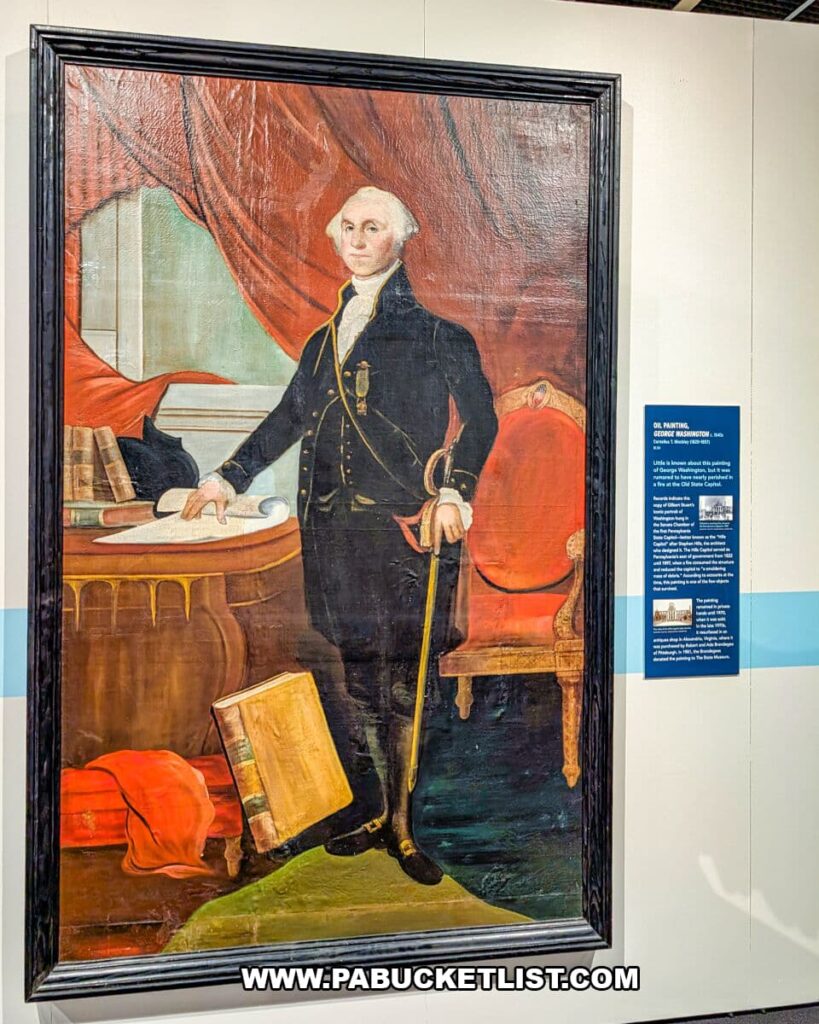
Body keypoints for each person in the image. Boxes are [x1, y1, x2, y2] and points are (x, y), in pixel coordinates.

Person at [182, 186, 497, 885]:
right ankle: (375, 813)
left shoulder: (439, 335)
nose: (358, 239)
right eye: (348, 228)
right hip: (332, 531)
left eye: (373, 228)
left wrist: (454, 490)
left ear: (400, 239)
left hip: (404, 534)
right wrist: (225, 479)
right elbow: (289, 418)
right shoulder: (323, 339)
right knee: (356, 674)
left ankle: (408, 829)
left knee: (403, 684)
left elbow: (480, 423)